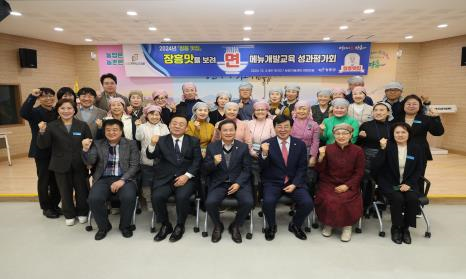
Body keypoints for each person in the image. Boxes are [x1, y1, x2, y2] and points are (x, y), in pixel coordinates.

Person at [147, 115, 202, 242]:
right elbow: (150, 155)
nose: (177, 126)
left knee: (182, 197)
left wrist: (187, 176)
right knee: (157, 197)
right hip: (165, 178)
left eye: (181, 124)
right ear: (169, 125)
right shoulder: (161, 140)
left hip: (186, 178)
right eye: (174, 123)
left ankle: (180, 225)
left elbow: (197, 161)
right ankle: (166, 224)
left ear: (187, 127)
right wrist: (152, 143)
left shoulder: (193, 141)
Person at [37, 99, 92, 226]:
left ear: (74, 110)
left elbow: (90, 143)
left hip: (80, 163)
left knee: (82, 189)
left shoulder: (82, 125)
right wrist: (42, 131)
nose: (66, 111)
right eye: (62, 108)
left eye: (69, 108)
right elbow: (43, 145)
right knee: (65, 191)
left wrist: (89, 161)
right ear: (58, 110)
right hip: (60, 164)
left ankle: (82, 212)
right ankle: (69, 214)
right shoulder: (51, 125)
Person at [83, 119, 140, 240]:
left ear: (121, 131)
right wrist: (85, 150)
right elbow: (90, 162)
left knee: (129, 197)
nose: (111, 132)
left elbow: (134, 165)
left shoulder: (131, 144)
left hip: (125, 179)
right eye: (108, 130)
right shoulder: (97, 143)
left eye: (115, 130)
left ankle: (125, 226)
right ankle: (104, 227)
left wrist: (122, 180)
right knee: (94, 199)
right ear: (103, 131)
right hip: (103, 178)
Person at [259, 115, 313, 241]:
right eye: (279, 126)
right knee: (268, 202)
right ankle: (271, 226)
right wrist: (264, 153)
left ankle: (295, 224)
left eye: (286, 126)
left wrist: (295, 184)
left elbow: (302, 167)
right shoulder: (266, 144)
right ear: (274, 128)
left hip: (294, 182)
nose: (282, 129)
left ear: (291, 127)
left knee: (307, 203)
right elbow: (262, 167)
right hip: (273, 182)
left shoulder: (299, 144)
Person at [372, 123, 424, 244]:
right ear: (393, 134)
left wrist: (409, 184)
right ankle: (396, 227)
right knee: (397, 198)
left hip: (409, 183)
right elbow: (375, 166)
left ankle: (406, 228)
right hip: (389, 182)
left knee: (412, 198)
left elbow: (419, 169)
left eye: (403, 132)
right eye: (397, 132)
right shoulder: (388, 146)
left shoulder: (416, 148)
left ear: (409, 134)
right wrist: (382, 149)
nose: (400, 135)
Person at [203, 119, 254, 243]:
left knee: (248, 202)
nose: (228, 132)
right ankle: (217, 225)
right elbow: (204, 169)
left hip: (238, 183)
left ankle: (235, 225)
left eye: (231, 130)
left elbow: (247, 169)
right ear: (220, 132)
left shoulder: (242, 147)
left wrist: (238, 183)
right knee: (210, 202)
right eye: (225, 130)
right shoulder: (212, 147)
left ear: (235, 131)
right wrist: (214, 163)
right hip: (219, 183)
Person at [315, 123, 365, 242]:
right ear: (334, 135)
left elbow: (359, 172)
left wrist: (347, 185)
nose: (341, 136)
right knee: (328, 199)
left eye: (345, 133)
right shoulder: (328, 148)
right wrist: (321, 157)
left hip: (349, 183)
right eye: (338, 133)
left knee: (345, 199)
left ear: (351, 135)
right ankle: (329, 224)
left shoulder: (358, 151)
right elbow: (319, 170)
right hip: (329, 182)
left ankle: (347, 227)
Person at [20, 88, 60, 218]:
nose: (48, 98)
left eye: (51, 96)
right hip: (41, 151)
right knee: (44, 179)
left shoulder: (57, 111)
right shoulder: (34, 112)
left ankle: (55, 205)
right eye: (44, 96)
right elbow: (23, 112)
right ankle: (46, 207)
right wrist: (32, 96)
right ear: (39, 99)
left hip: (57, 150)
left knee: (56, 180)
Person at [393, 94, 444, 194]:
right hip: (399, 151)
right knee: (399, 175)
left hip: (419, 153)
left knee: (418, 176)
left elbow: (438, 132)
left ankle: (417, 199)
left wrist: (436, 118)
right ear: (403, 105)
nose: (411, 106)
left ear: (420, 106)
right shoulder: (397, 119)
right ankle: (397, 199)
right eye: (408, 104)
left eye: (414, 104)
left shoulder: (425, 118)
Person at [358, 102, 394, 210]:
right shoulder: (366, 125)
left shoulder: (393, 126)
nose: (378, 112)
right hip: (369, 158)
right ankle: (365, 205)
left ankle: (381, 202)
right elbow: (358, 144)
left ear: (388, 112)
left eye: (382, 110)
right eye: (376, 110)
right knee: (368, 181)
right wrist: (360, 137)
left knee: (385, 180)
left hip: (388, 156)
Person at [135, 104, 170, 211]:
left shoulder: (164, 127)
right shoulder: (142, 127)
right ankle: (149, 201)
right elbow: (138, 137)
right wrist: (138, 127)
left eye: (157, 114)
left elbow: (168, 141)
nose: (155, 117)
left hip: (162, 160)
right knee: (147, 182)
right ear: (146, 115)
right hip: (146, 160)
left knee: (161, 181)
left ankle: (160, 200)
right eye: (152, 114)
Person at [291, 100, 320, 192]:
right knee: (293, 173)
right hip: (292, 151)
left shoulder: (314, 124)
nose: (301, 111)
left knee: (308, 175)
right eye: (299, 109)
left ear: (308, 111)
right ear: (295, 110)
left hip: (307, 151)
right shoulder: (289, 123)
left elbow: (316, 141)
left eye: (304, 109)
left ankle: (307, 195)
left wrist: (313, 156)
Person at [247, 100, 276, 186]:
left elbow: (274, 139)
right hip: (251, 155)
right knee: (254, 179)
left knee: (265, 178)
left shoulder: (271, 123)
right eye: (257, 110)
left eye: (262, 110)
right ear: (254, 112)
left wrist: (265, 152)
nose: (260, 112)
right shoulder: (249, 123)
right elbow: (247, 139)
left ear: (267, 111)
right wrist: (251, 151)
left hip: (267, 154)